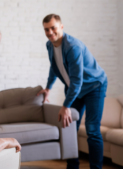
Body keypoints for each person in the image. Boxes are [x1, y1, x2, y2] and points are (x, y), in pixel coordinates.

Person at [37, 14, 107, 169]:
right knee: (68, 127)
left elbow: (77, 81)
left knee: (92, 129)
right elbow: (54, 68)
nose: (50, 32)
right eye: (46, 29)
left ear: (61, 27)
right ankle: (72, 166)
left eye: (53, 28)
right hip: (75, 88)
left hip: (94, 86)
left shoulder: (72, 47)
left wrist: (65, 105)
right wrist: (48, 88)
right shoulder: (49, 45)